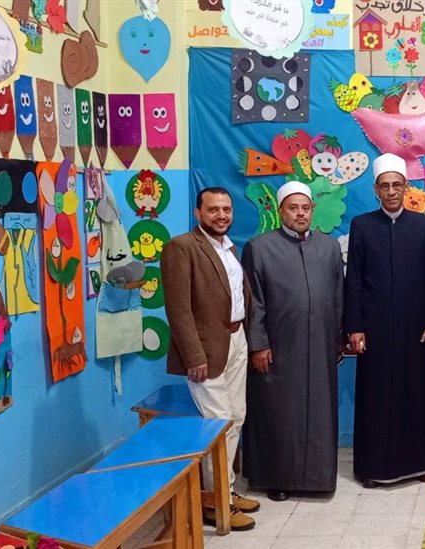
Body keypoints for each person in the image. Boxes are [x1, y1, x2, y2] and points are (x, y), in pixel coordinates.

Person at [345, 153, 425, 488]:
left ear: (406, 188)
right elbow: (354, 280)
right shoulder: (362, 226)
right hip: (374, 331)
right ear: (376, 189)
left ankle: (423, 464)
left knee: (417, 395)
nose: (391, 191)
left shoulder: (423, 226)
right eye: (384, 186)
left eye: (396, 185)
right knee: (375, 398)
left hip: (416, 330)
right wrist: (354, 327)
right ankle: (373, 469)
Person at [162, 187, 259, 531]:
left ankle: (225, 492)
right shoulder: (182, 247)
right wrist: (193, 355)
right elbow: (178, 308)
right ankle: (215, 503)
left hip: (236, 339)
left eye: (226, 209)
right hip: (205, 350)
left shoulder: (229, 248)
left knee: (236, 417)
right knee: (218, 423)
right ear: (198, 213)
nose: (221, 215)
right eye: (213, 209)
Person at [241, 181, 345, 501]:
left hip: (321, 346)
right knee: (280, 413)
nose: (300, 214)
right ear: (281, 211)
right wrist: (259, 344)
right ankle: (278, 478)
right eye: (293, 208)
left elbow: (338, 296)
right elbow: (254, 302)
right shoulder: (259, 247)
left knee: (319, 413)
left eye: (305, 208)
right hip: (279, 348)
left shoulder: (329, 247)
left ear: (312, 210)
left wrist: (339, 338)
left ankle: (318, 478)